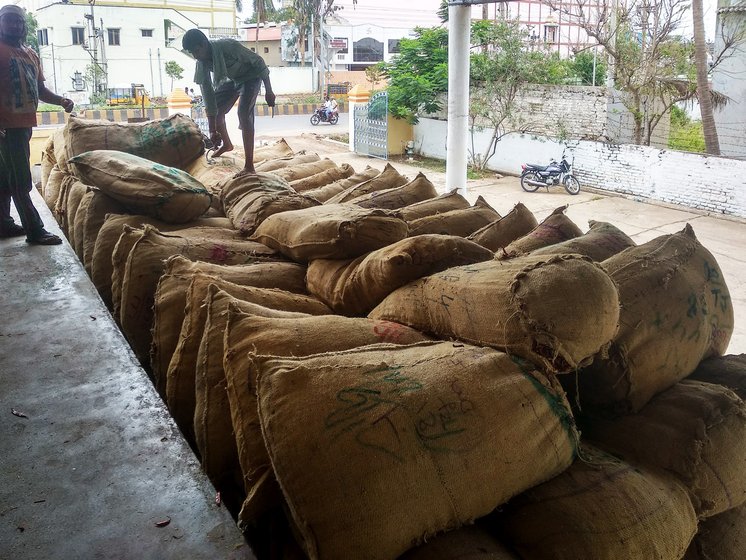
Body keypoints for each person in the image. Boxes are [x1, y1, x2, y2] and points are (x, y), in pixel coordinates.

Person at [0, 4, 73, 245]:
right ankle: (35, 230)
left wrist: (60, 100)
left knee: (5, 177)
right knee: (21, 179)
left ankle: (3, 224)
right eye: (9, 20)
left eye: (18, 21)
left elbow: (40, 89)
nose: (15, 25)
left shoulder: (30, 53)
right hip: (5, 127)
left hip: (23, 124)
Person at [181, 28, 275, 176]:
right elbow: (208, 95)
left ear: (204, 44)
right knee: (217, 109)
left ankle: (249, 166)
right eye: (192, 53)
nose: (196, 56)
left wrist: (269, 91)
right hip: (233, 79)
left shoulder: (228, 46)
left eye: (197, 51)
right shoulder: (201, 63)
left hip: (251, 76)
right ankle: (227, 144)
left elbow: (258, 62)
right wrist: (212, 130)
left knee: (243, 114)